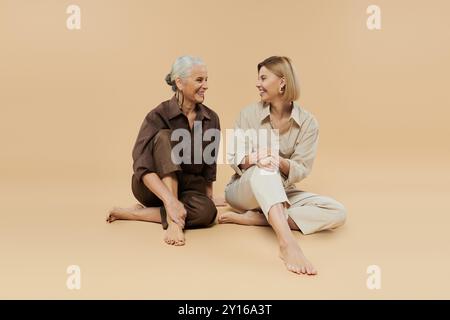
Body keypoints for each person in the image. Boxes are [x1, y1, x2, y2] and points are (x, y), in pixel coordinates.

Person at [219, 56, 347, 275]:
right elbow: (233, 156)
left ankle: (261, 218)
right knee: (265, 169)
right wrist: (256, 159)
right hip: (243, 190)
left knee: (337, 212)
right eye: (258, 78)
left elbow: (302, 167)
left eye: (263, 78)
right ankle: (287, 243)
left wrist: (280, 161)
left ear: (282, 82)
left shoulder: (308, 122)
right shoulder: (248, 114)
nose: (258, 83)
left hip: (282, 190)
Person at [107, 56, 222, 246]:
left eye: (207, 79)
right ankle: (173, 220)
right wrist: (170, 202)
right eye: (199, 80)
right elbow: (142, 166)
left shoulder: (211, 119)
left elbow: (209, 165)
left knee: (208, 213)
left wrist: (208, 199)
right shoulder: (157, 115)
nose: (206, 85)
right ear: (179, 82)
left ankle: (135, 214)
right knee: (164, 137)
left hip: (187, 190)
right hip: (152, 188)